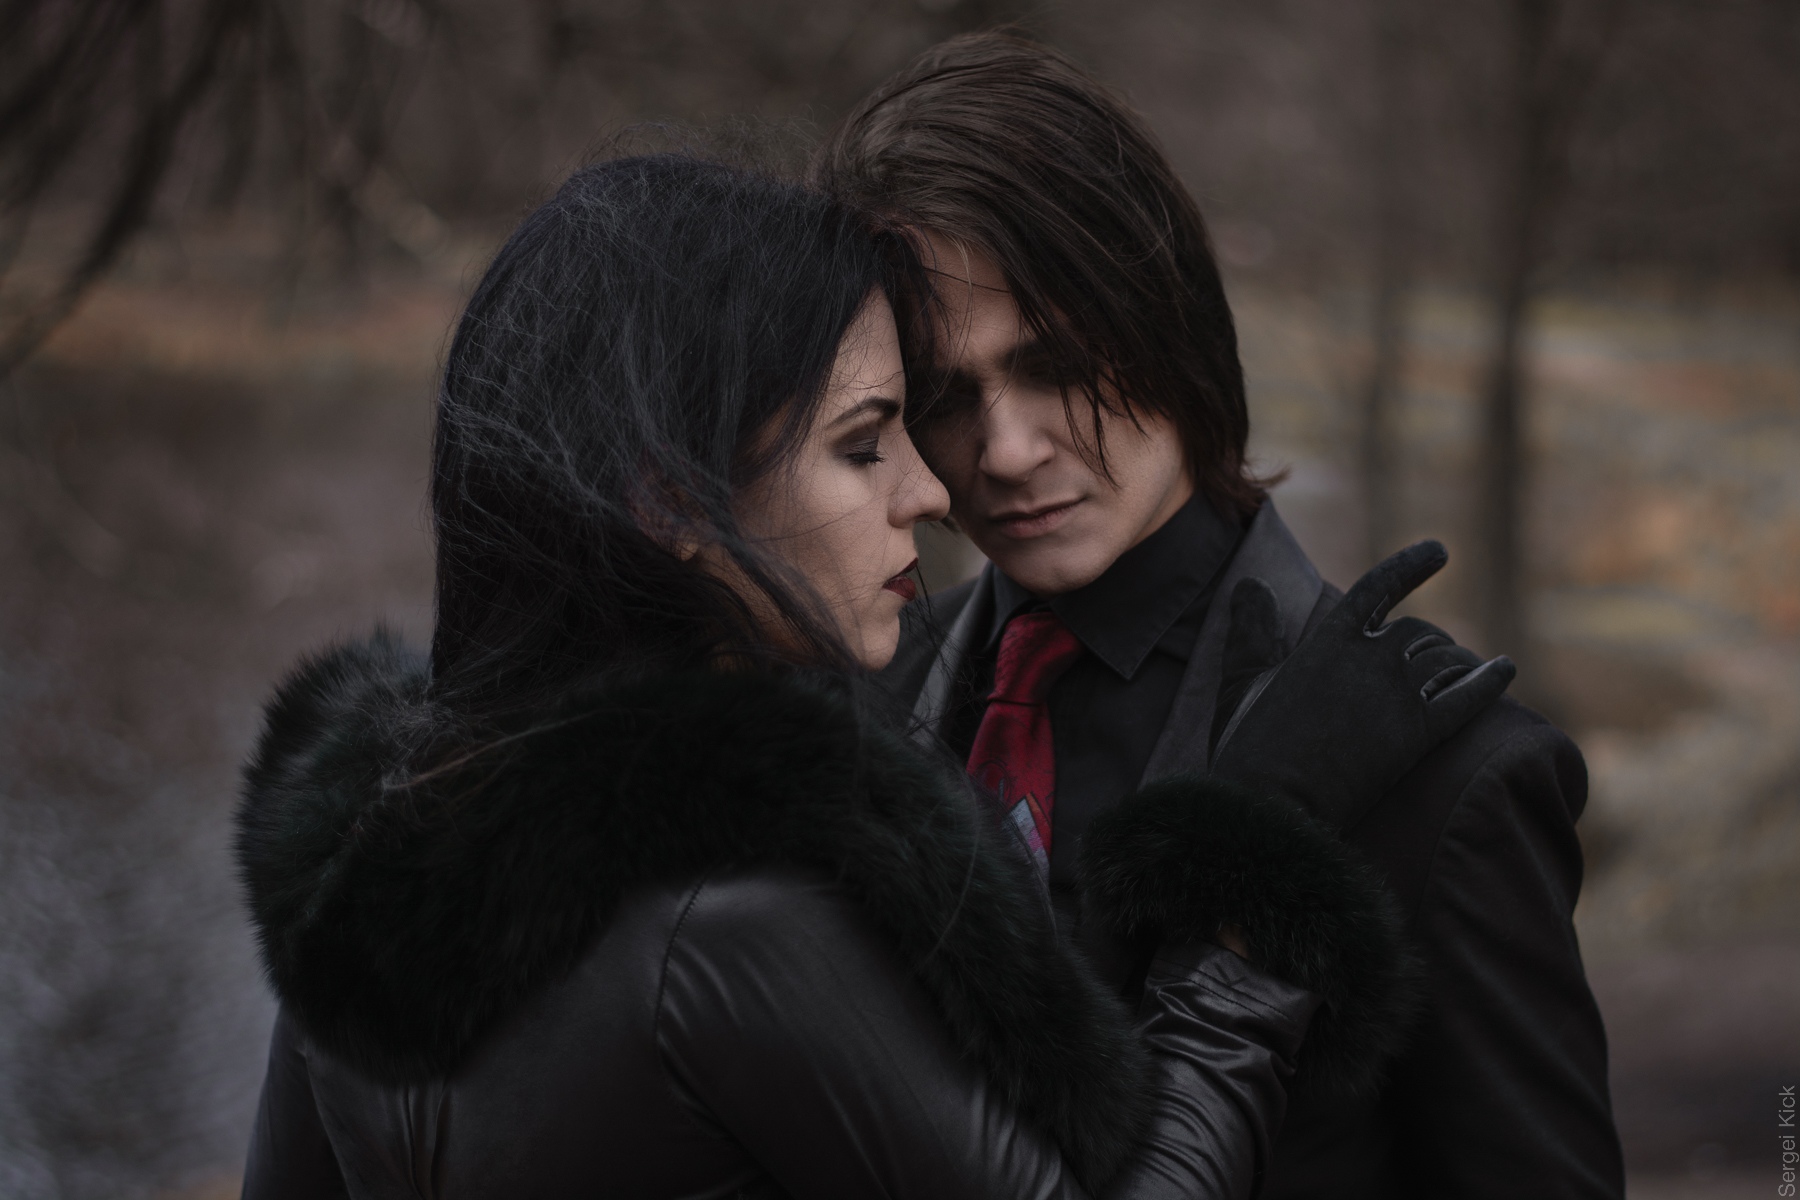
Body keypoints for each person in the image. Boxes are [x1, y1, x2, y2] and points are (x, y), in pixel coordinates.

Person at [234, 154, 1511, 1197]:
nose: (933, 489)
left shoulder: (373, 855)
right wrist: (1252, 871)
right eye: (863, 445)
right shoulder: (730, 923)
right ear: (671, 500)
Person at [817, 32, 1626, 1200]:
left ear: (1172, 321)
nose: (1007, 450)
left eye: (1055, 365)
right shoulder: (861, 699)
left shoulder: (1444, 775)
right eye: (946, 395)